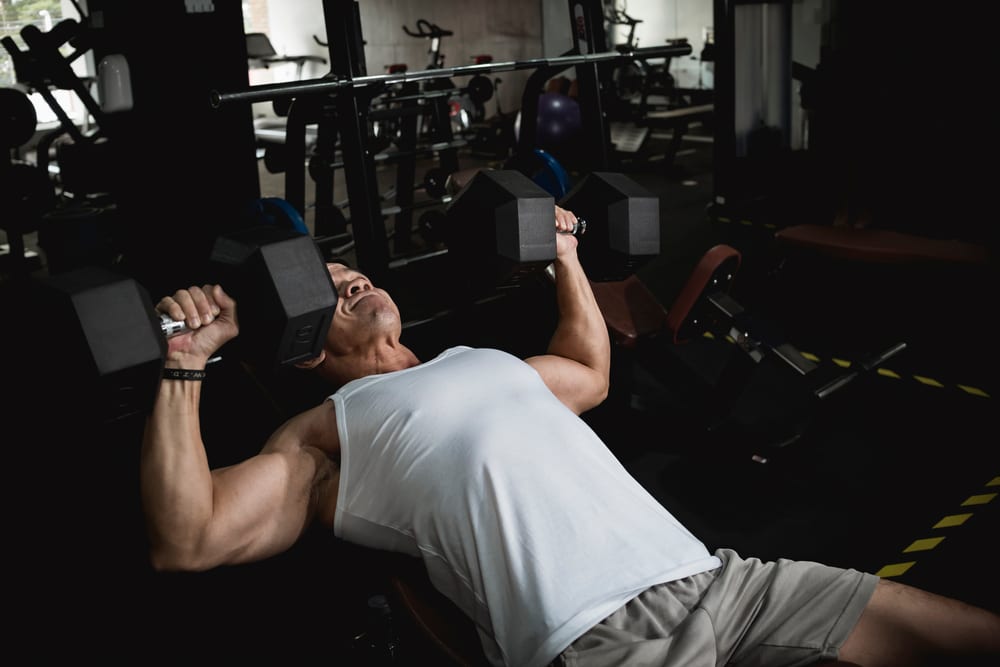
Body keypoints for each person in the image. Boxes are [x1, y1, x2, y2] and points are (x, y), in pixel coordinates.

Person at [141, 205, 1000, 667]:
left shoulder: (478, 358)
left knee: (962, 633)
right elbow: (189, 538)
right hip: (605, 642)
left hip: (723, 577)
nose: (349, 278)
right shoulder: (321, 436)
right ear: (297, 348)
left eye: (347, 269)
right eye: (324, 289)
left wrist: (567, 260)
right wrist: (186, 360)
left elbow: (585, 371)